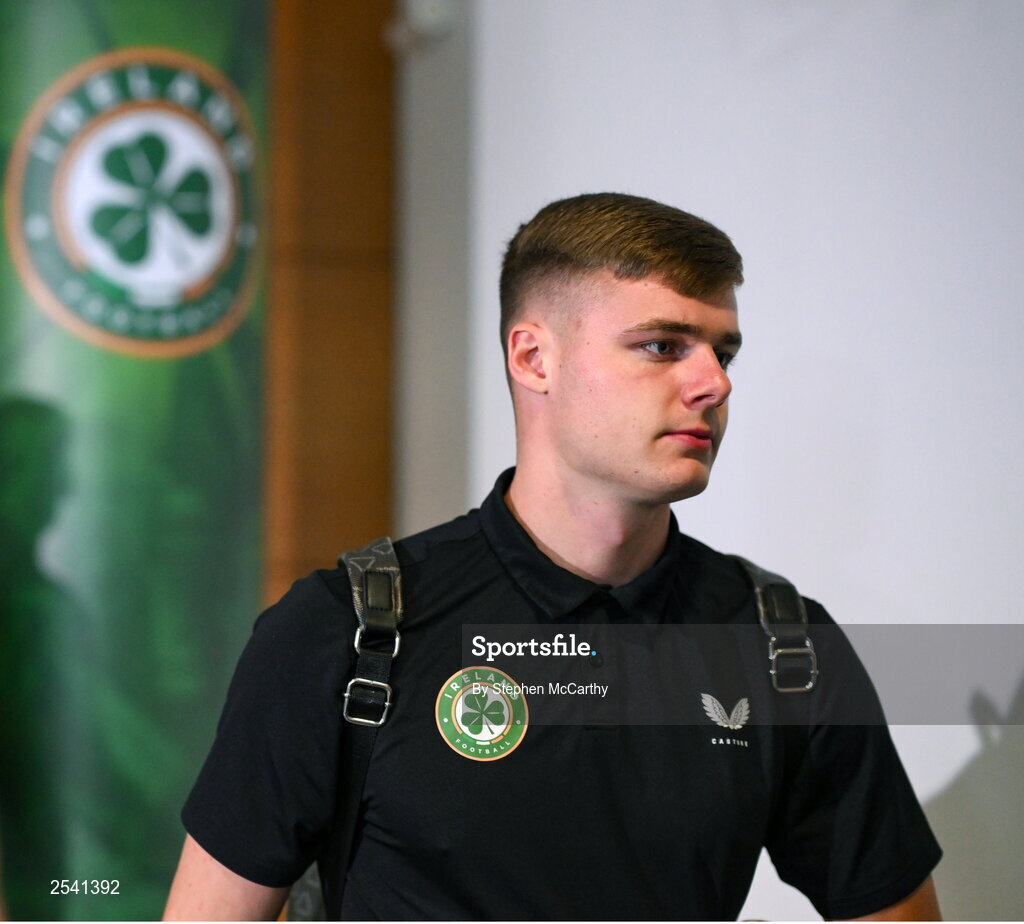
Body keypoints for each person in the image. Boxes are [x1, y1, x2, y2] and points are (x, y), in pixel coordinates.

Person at [164, 193, 942, 921]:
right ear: (534, 359)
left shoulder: (782, 647)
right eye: (662, 345)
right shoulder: (347, 631)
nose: (711, 383)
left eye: (723, 354)